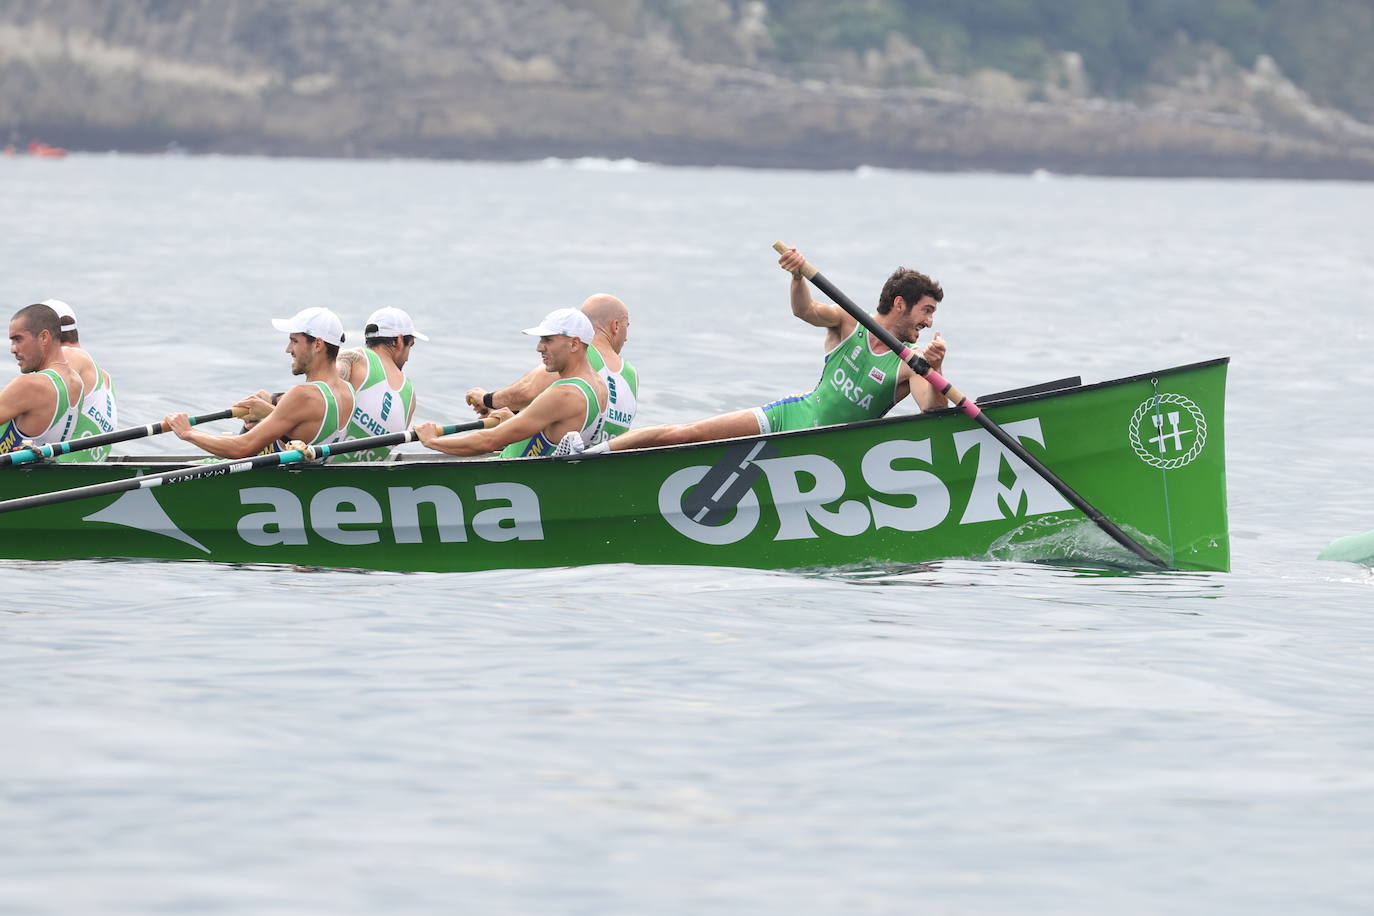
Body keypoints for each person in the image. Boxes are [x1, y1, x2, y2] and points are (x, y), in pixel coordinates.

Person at [589, 247, 949, 452]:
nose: (929, 323)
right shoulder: (848, 321)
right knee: (687, 434)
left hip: (830, 445)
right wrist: (796, 277)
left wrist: (935, 368)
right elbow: (804, 311)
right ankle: (593, 454)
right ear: (900, 304)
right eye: (926, 311)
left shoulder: (910, 363)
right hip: (790, 416)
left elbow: (933, 407)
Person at [162, 307, 356, 459]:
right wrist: (268, 416)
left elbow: (242, 448)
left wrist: (188, 432)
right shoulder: (347, 390)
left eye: (294, 341)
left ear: (318, 344)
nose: (288, 349)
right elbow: (307, 432)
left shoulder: (303, 395)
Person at [416, 308, 607, 458]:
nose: (539, 347)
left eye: (548, 340)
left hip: (508, 478)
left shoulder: (564, 394)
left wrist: (432, 440)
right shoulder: (598, 385)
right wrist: (515, 422)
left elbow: (489, 442)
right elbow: (556, 430)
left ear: (574, 344)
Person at [465, 293, 638, 441]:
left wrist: (487, 399)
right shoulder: (632, 374)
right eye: (627, 328)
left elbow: (527, 391)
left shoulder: (580, 354)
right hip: (599, 461)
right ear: (615, 326)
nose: (627, 338)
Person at [330, 306, 426, 462]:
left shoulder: (352, 358)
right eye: (411, 345)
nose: (408, 356)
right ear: (400, 340)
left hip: (316, 466)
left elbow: (319, 395)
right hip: (363, 480)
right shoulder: (410, 396)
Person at [1, 303, 85, 455]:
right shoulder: (77, 383)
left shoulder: (31, 385)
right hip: (34, 472)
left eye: (18, 339)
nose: (12, 349)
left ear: (44, 337)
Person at [41, 298, 119, 462]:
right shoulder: (105, 376)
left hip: (59, 472)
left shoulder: (68, 356)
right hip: (88, 471)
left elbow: (32, 396)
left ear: (44, 335)